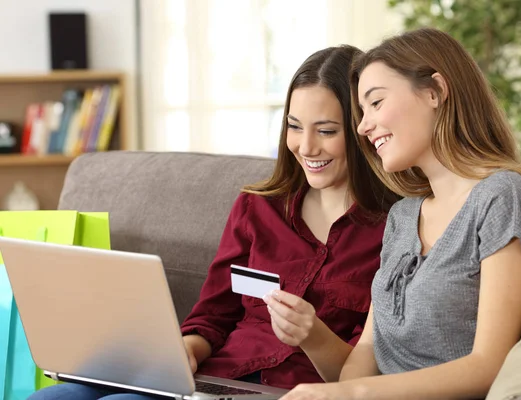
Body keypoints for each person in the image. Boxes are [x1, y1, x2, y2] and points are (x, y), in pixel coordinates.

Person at [28, 45, 398, 400]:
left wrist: (312, 335)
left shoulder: (394, 231)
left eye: (327, 131)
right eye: (294, 126)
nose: (305, 146)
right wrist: (185, 349)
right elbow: (213, 314)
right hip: (215, 378)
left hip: (293, 389)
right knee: (57, 395)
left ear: (360, 130)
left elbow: (362, 378)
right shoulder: (259, 207)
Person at [280, 28, 521, 400]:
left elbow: (489, 365)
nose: (363, 126)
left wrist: (355, 394)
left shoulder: (504, 196)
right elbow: (367, 352)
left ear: (434, 91)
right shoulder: (402, 217)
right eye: (361, 111)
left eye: (376, 103)